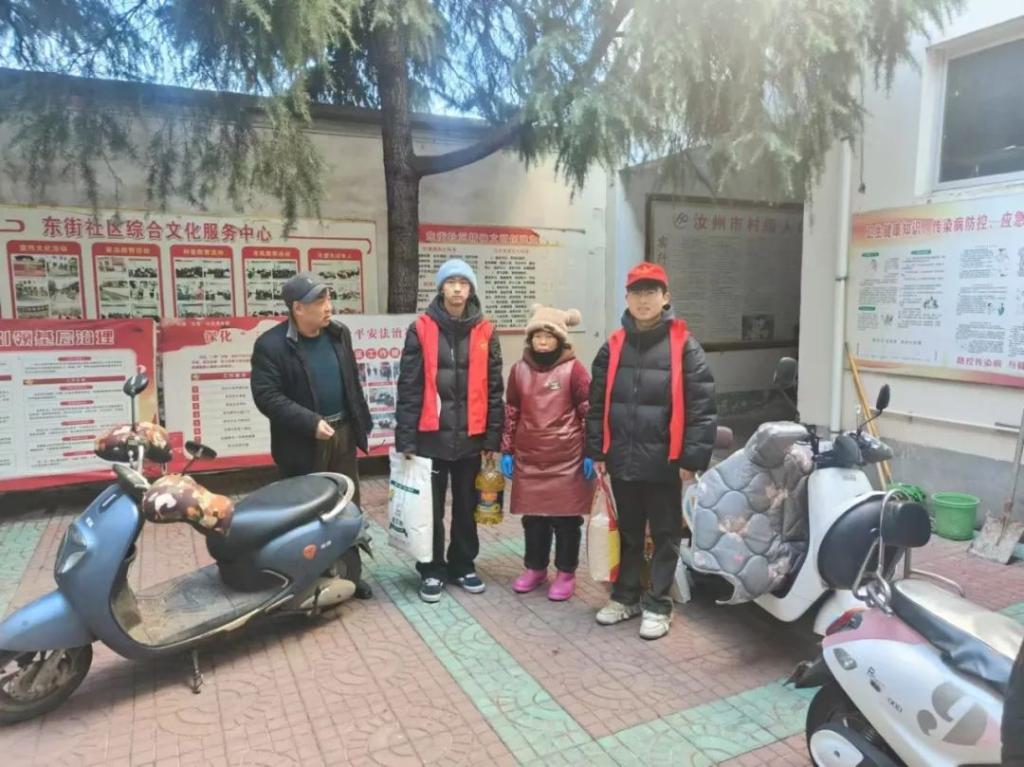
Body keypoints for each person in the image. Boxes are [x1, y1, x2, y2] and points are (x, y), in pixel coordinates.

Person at [586, 261, 717, 640]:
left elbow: (702, 407)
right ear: (627, 298)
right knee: (628, 533)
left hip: (665, 461)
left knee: (664, 534)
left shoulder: (685, 346)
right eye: (636, 292)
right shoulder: (613, 347)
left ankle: (658, 604)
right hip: (622, 458)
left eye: (651, 292)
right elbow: (596, 405)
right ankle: (625, 596)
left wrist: (691, 458)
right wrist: (597, 452)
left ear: (665, 297)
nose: (643, 300)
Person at [250, 271, 374, 598]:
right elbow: (267, 396)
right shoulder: (271, 346)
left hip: (343, 433)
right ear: (297, 308)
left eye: (328, 298)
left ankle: (350, 573)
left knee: (347, 506)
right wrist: (309, 422)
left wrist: (360, 423)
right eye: (319, 301)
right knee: (307, 514)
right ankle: (307, 582)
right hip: (303, 443)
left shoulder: (339, 334)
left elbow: (352, 382)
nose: (328, 306)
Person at [395, 258, 504, 603]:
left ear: (471, 290)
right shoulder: (421, 328)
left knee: (467, 506)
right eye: (451, 282)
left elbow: (495, 389)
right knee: (430, 509)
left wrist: (492, 437)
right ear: (441, 288)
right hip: (431, 437)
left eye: (464, 283)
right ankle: (431, 568)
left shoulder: (486, 331)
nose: (457, 288)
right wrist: (406, 438)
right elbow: (409, 387)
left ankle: (463, 565)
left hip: (471, 437)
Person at [501, 304, 595, 601]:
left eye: (548, 336)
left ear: (560, 340)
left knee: (566, 520)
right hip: (530, 457)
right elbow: (512, 410)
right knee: (534, 519)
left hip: (567, 457)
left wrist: (592, 451)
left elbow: (588, 411)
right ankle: (535, 568)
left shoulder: (574, 370)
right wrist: (507, 449)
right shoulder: (519, 370)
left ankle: (566, 573)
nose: (542, 342)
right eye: (537, 336)